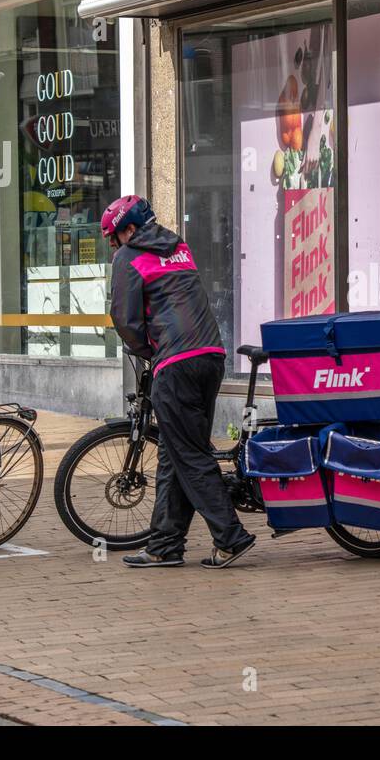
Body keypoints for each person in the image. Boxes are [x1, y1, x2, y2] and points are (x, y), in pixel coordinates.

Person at [103, 194, 257, 570]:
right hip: (210, 357)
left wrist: (144, 351)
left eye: (113, 237)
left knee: (190, 454)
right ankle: (165, 545)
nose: (113, 246)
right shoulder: (179, 247)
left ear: (129, 229)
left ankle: (230, 536)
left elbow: (125, 318)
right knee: (175, 452)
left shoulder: (129, 256)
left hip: (175, 363)